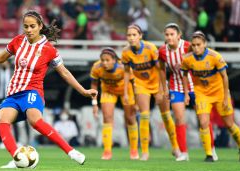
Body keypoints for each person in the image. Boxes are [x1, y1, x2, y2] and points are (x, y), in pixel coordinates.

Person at [0, 10, 97, 168]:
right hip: (14, 93)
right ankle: (17, 158)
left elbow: (65, 73)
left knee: (35, 120)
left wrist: (83, 91)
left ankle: (71, 151)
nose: (28, 30)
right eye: (26, 26)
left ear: (40, 26)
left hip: (32, 91)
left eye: (32, 26)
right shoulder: (18, 41)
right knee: (2, 119)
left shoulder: (49, 50)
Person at [181, 31, 240, 162]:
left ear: (205, 44)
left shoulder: (215, 56)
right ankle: (209, 154)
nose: (196, 47)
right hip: (202, 93)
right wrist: (186, 93)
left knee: (229, 124)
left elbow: (224, 76)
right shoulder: (187, 59)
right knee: (204, 122)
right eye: (193, 45)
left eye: (198, 44)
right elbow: (184, 74)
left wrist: (226, 96)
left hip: (219, 93)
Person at [159, 23, 218, 161]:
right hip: (176, 86)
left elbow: (204, 59)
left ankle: (211, 149)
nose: (169, 37)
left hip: (196, 86)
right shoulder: (162, 51)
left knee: (202, 119)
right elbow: (161, 69)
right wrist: (165, 87)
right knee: (179, 118)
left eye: (172, 34)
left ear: (179, 35)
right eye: (167, 35)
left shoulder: (189, 46)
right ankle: (184, 153)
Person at [121, 24, 180, 161]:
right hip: (141, 85)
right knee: (144, 116)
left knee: (166, 116)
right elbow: (125, 72)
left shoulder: (150, 48)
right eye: (129, 35)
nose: (131, 38)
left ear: (140, 36)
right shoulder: (125, 52)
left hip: (157, 84)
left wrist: (162, 89)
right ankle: (145, 152)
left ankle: (175, 148)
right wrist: (125, 92)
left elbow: (161, 69)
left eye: (134, 35)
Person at [90, 47, 139, 160]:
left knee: (130, 118)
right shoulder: (97, 68)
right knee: (107, 118)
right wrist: (94, 103)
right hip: (108, 91)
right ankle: (107, 151)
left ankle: (134, 150)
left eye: (107, 60)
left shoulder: (123, 67)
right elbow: (94, 85)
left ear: (114, 60)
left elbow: (134, 83)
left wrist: (136, 102)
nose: (104, 63)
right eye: (103, 60)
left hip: (126, 91)